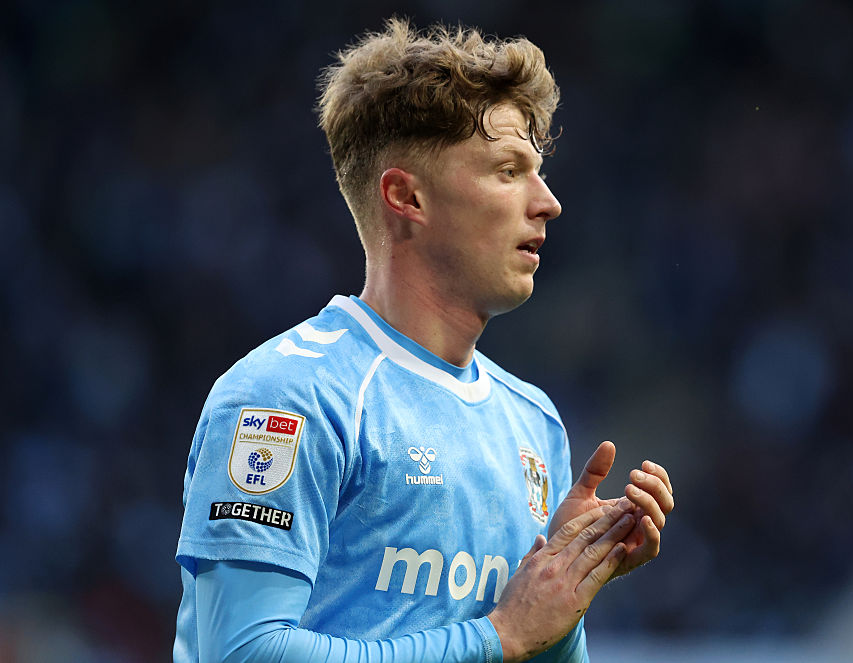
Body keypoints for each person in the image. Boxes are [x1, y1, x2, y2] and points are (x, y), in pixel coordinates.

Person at [173, 18, 674, 663]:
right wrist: (502, 633)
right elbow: (241, 653)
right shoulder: (289, 398)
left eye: (538, 172)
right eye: (507, 170)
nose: (547, 202)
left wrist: (564, 594)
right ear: (407, 197)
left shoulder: (533, 423)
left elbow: (516, 649)